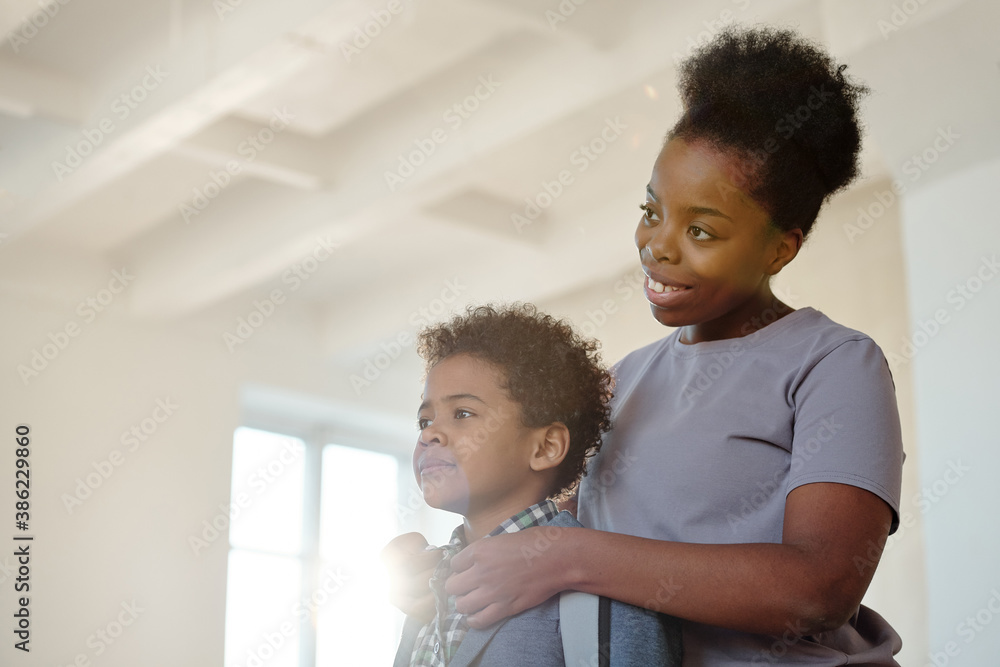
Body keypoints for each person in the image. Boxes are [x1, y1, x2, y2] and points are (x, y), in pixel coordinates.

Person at [385, 26, 905, 666]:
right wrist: (443, 574)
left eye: (702, 230)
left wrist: (570, 559)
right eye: (652, 209)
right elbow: (540, 538)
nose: (658, 245)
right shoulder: (621, 384)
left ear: (780, 248)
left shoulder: (832, 364)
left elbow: (819, 589)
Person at [388, 303, 683, 666]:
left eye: (463, 413)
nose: (430, 432)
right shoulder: (427, 587)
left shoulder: (604, 592)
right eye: (424, 420)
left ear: (545, 447)